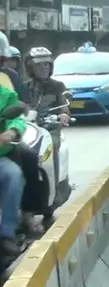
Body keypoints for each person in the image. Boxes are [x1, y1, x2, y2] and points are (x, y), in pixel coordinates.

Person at [23, 46, 71, 233]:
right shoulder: (25, 87)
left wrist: (63, 115)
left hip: (50, 130)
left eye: (47, 64)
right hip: (28, 130)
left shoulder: (58, 86)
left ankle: (52, 202)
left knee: (53, 150)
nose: (44, 68)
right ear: (30, 68)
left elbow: (65, 105)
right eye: (39, 64)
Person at [0, 33, 26, 259]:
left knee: (13, 174)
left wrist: (12, 131)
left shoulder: (6, 92)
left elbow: (17, 117)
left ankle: (7, 233)